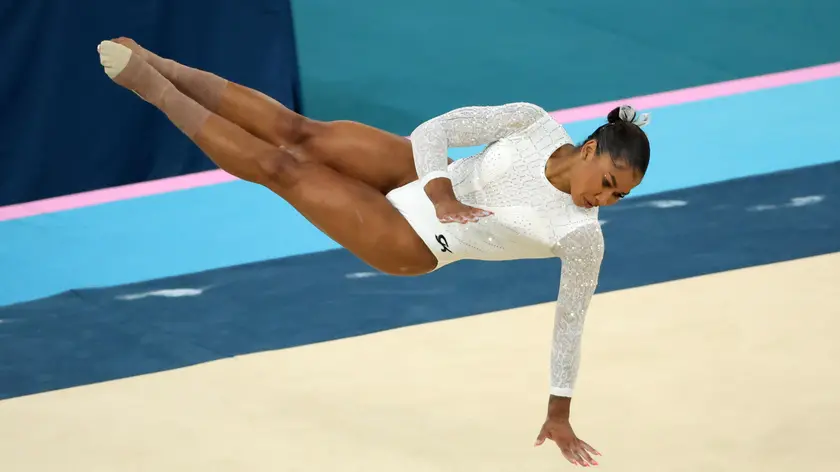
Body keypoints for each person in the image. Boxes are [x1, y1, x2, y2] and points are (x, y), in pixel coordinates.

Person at [97, 38, 651, 467]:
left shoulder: (581, 237)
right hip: (427, 178)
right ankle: (164, 63)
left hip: (411, 240)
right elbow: (436, 130)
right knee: (298, 131)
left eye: (616, 196)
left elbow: (570, 326)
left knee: (285, 167)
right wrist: (439, 189)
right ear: (589, 148)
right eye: (604, 181)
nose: (601, 198)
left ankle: (156, 89)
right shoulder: (531, 122)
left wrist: (560, 412)